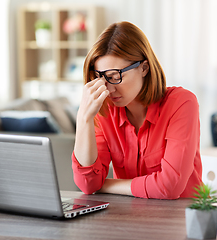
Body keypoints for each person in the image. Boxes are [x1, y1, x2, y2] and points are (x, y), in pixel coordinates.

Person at [71, 21, 202, 199]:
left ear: (144, 68)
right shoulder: (104, 112)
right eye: (100, 78)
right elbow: (87, 184)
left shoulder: (182, 103)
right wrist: (83, 118)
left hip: (182, 218)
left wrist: (106, 184)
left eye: (114, 76)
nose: (108, 89)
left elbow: (170, 186)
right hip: (128, 218)